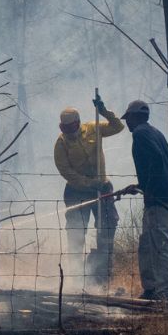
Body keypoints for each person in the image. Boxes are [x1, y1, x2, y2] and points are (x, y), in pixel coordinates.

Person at [53, 95, 124, 271]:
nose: (69, 131)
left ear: (78, 123)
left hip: (103, 187)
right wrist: (90, 184)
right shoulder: (61, 144)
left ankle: (103, 269)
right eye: (65, 128)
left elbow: (118, 126)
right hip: (77, 192)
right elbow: (67, 172)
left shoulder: (94, 128)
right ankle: (75, 273)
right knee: (76, 231)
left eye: (71, 127)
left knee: (107, 226)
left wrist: (104, 111)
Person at [120, 100, 168, 300]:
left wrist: (151, 188)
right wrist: (140, 186)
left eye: (128, 118)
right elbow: (162, 162)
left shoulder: (140, 134)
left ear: (136, 116)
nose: (127, 122)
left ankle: (166, 291)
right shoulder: (154, 132)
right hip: (161, 193)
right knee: (147, 242)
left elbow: (156, 161)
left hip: (161, 197)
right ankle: (152, 287)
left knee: (163, 243)